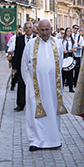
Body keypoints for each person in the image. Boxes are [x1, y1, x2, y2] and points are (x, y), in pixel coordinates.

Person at [20, 19, 66, 151]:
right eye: (42, 30)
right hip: (35, 86)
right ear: (37, 30)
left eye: (47, 30)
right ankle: (35, 141)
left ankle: (53, 139)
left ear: (51, 30)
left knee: (52, 110)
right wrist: (29, 84)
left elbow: (60, 64)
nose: (45, 33)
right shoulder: (30, 44)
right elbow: (24, 65)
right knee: (34, 112)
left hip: (52, 86)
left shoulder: (57, 44)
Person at [10, 21, 33, 110]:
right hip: (21, 66)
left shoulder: (36, 39)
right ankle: (20, 104)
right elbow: (17, 54)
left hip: (33, 66)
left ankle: (32, 104)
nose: (28, 29)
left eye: (29, 28)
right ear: (24, 29)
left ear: (32, 29)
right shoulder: (19, 39)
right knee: (21, 85)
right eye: (26, 28)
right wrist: (14, 67)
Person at [70, 24, 84, 90]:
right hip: (71, 53)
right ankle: (69, 82)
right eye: (75, 28)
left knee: (77, 69)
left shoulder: (80, 37)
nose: (76, 30)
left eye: (77, 29)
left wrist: (79, 45)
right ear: (73, 29)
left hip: (77, 54)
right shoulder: (70, 36)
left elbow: (83, 46)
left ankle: (76, 82)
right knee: (70, 69)